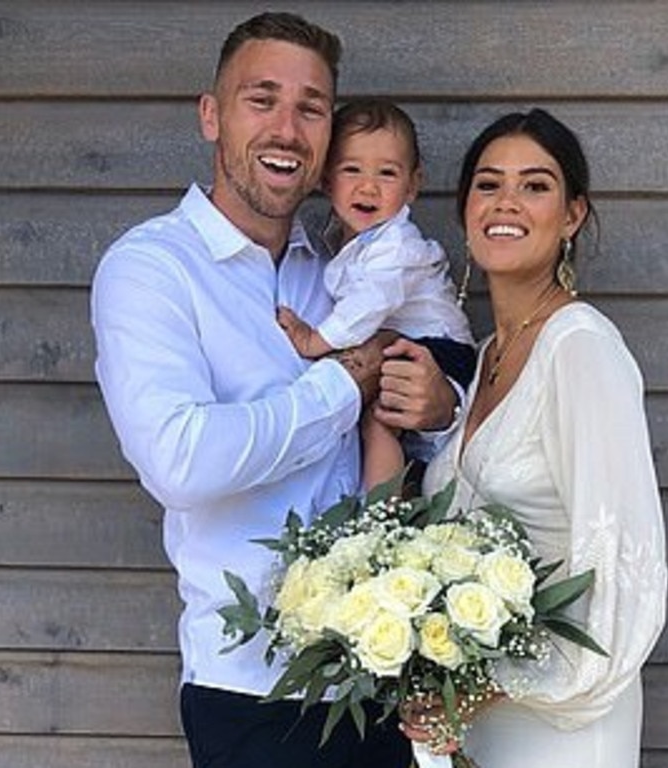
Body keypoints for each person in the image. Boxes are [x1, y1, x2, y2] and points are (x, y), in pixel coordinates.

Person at [90, 12, 459, 768]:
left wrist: (440, 407)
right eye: (262, 100)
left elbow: (423, 418)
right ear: (211, 115)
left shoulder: (340, 266)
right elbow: (181, 461)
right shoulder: (152, 270)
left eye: (312, 108)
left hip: (389, 673)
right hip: (252, 691)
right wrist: (341, 383)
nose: (287, 129)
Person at [401, 108, 668, 767]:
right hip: (476, 722)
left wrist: (488, 686)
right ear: (465, 209)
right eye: (488, 184)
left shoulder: (581, 349)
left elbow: (620, 572)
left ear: (573, 215)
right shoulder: (491, 351)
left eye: (535, 185)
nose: (507, 202)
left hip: (565, 724)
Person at [277, 99, 476, 489]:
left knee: (379, 418)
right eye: (352, 170)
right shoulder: (344, 238)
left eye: (387, 173)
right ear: (325, 178)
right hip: (415, 344)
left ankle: (379, 517)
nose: (368, 186)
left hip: (442, 351)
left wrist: (313, 339)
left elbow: (369, 304)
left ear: (412, 186)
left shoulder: (396, 245)